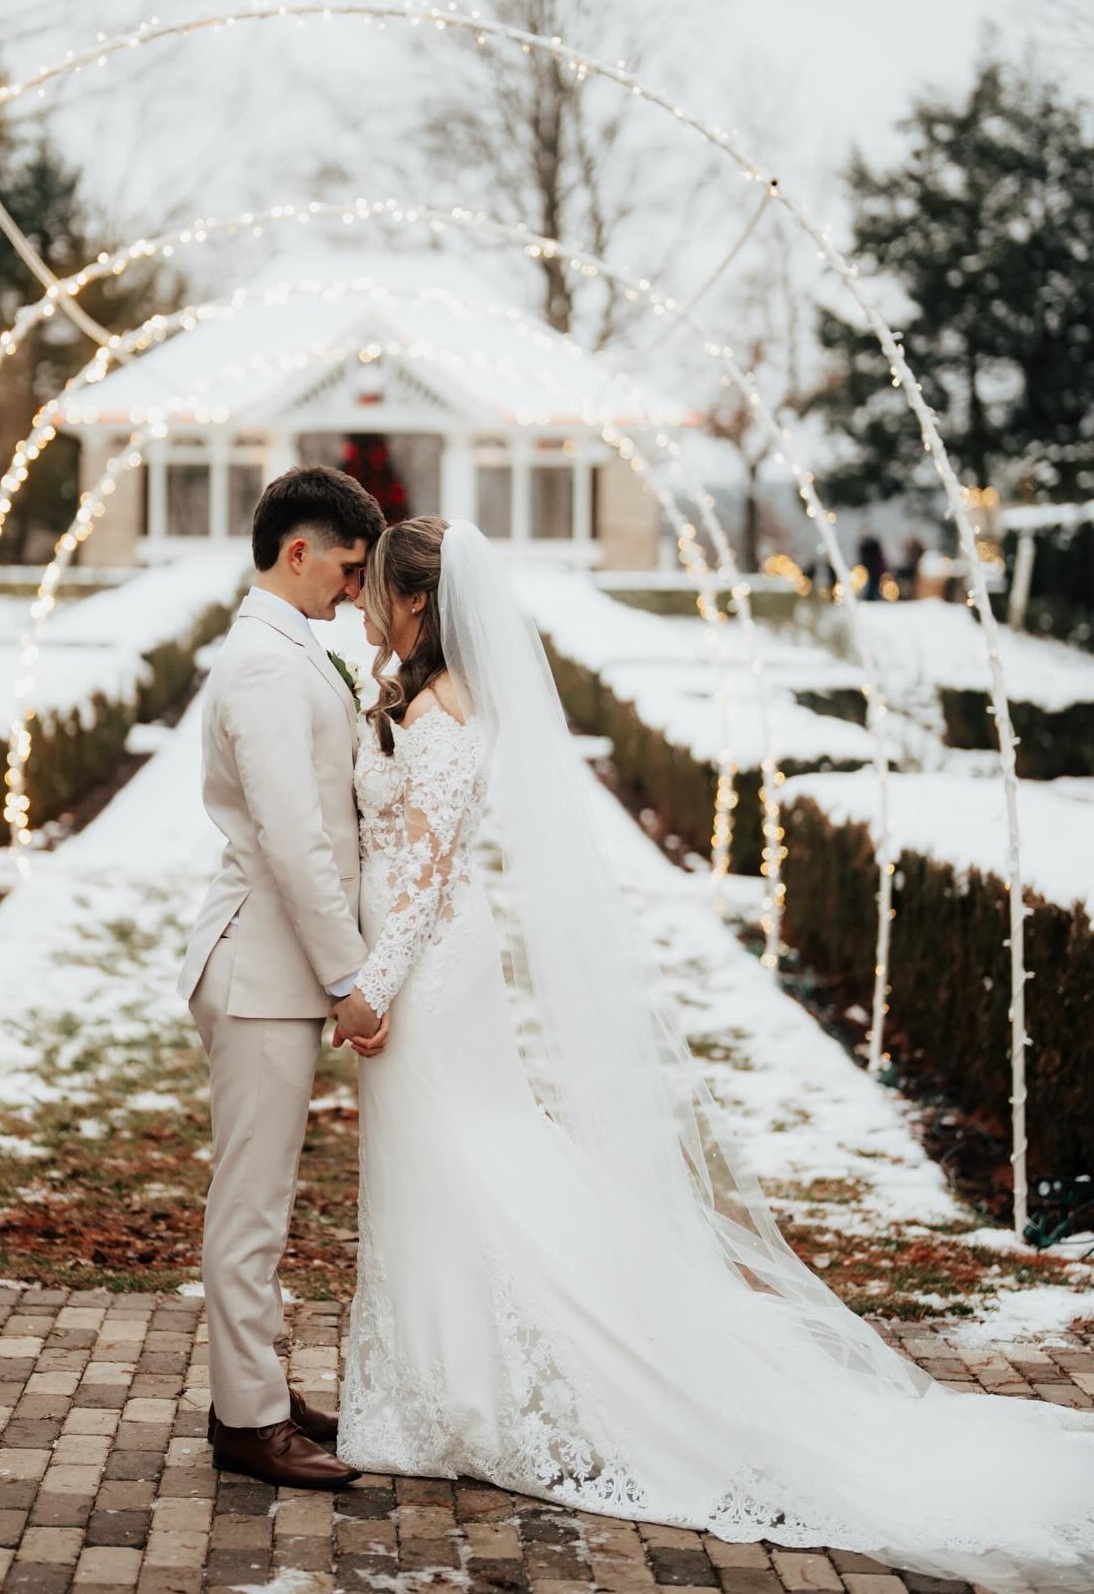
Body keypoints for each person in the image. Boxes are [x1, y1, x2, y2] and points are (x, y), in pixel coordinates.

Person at [331, 513, 1094, 1594]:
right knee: (438, 1172)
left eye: (379, 592)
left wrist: (372, 988)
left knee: (467, 1169)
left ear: (414, 603)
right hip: (414, 969)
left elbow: (425, 874)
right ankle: (441, 1382)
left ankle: (469, 1392)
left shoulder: (449, 720)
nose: (365, 603)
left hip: (430, 977)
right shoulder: (416, 696)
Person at [175, 464, 387, 1490]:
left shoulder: (291, 644)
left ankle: (260, 1387)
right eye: (347, 569)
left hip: (274, 966)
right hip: (259, 965)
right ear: (297, 551)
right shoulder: (263, 664)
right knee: (249, 1205)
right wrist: (352, 974)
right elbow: (295, 838)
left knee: (266, 1199)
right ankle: (246, 1421)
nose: (355, 590)